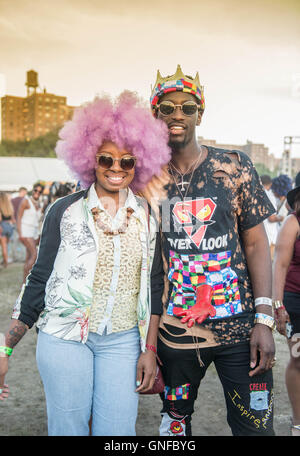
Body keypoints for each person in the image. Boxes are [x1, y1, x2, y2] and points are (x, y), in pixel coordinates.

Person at [0, 91, 170, 436]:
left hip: (123, 341)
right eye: (106, 159)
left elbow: (154, 287)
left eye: (127, 161)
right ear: (89, 158)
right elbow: (38, 280)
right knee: (69, 429)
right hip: (64, 338)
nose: (116, 169)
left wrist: (149, 348)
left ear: (141, 163)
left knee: (119, 432)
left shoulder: (150, 215)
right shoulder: (62, 210)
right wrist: (5, 347)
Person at [142, 65, 276, 436]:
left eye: (187, 107)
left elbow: (256, 242)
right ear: (155, 115)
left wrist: (264, 319)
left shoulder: (232, 166)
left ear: (201, 113)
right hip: (177, 335)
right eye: (167, 108)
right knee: (174, 427)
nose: (177, 115)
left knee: (256, 427)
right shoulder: (147, 178)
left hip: (240, 332)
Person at [273, 171, 300, 436]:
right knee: (299, 359)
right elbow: (279, 264)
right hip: (296, 301)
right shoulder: (293, 222)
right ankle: (298, 422)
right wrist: (278, 305)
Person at [17, 183, 44, 283]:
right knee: (34, 254)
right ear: (32, 190)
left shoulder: (38, 204)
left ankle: (25, 282)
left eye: (39, 192)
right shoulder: (25, 201)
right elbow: (18, 217)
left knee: (28, 257)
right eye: (35, 190)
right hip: (25, 231)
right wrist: (20, 234)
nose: (37, 193)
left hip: (33, 232)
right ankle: (25, 282)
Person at [260, 175, 282, 260]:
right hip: (270, 237)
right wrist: (282, 218)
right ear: (270, 184)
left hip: (259, 236)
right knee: (269, 264)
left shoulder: (255, 194)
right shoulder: (270, 196)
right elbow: (271, 218)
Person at [0, 192, 15, 267]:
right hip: (10, 227)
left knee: (3, 246)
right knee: (6, 245)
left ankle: (5, 263)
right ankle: (5, 260)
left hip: (2, 226)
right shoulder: (10, 206)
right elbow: (13, 220)